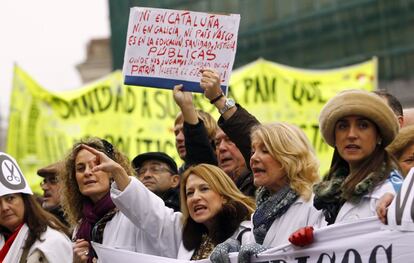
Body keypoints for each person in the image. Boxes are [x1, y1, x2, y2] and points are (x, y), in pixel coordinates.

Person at [91, 141, 255, 260]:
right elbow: (149, 211)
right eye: (189, 193)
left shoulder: (247, 234)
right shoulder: (183, 233)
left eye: (204, 189)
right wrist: (118, 173)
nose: (195, 197)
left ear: (224, 195)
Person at [210, 122, 324, 263]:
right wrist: (236, 247)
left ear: (289, 157)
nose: (253, 158)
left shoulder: (316, 206)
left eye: (265, 151)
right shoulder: (260, 214)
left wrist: (270, 259)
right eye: (253, 152)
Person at [61, 138, 170, 262]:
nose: (87, 172)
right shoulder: (80, 227)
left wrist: (119, 173)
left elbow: (161, 222)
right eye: (80, 168)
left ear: (110, 171)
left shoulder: (134, 214)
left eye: (96, 165)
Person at [313, 89, 403, 226]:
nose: (351, 135)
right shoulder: (325, 197)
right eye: (343, 126)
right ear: (335, 138)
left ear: (379, 136)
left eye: (363, 125)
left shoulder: (392, 194)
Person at [173, 84, 255, 197]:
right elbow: (201, 158)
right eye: (217, 143)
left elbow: (250, 135)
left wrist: (218, 98)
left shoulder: (261, 185)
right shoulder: (217, 190)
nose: (221, 148)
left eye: (229, 140)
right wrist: (187, 107)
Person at [0, 152, 72, 262]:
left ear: (25, 200)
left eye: (10, 198)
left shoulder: (50, 242)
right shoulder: (4, 239)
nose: (4, 207)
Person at [173, 108, 218, 174]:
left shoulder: (223, 170)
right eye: (176, 133)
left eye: (185, 131)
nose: (178, 138)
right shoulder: (176, 177)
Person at [37, 161, 69, 226]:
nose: (44, 187)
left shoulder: (84, 222)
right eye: (44, 181)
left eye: (53, 180)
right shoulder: (39, 223)